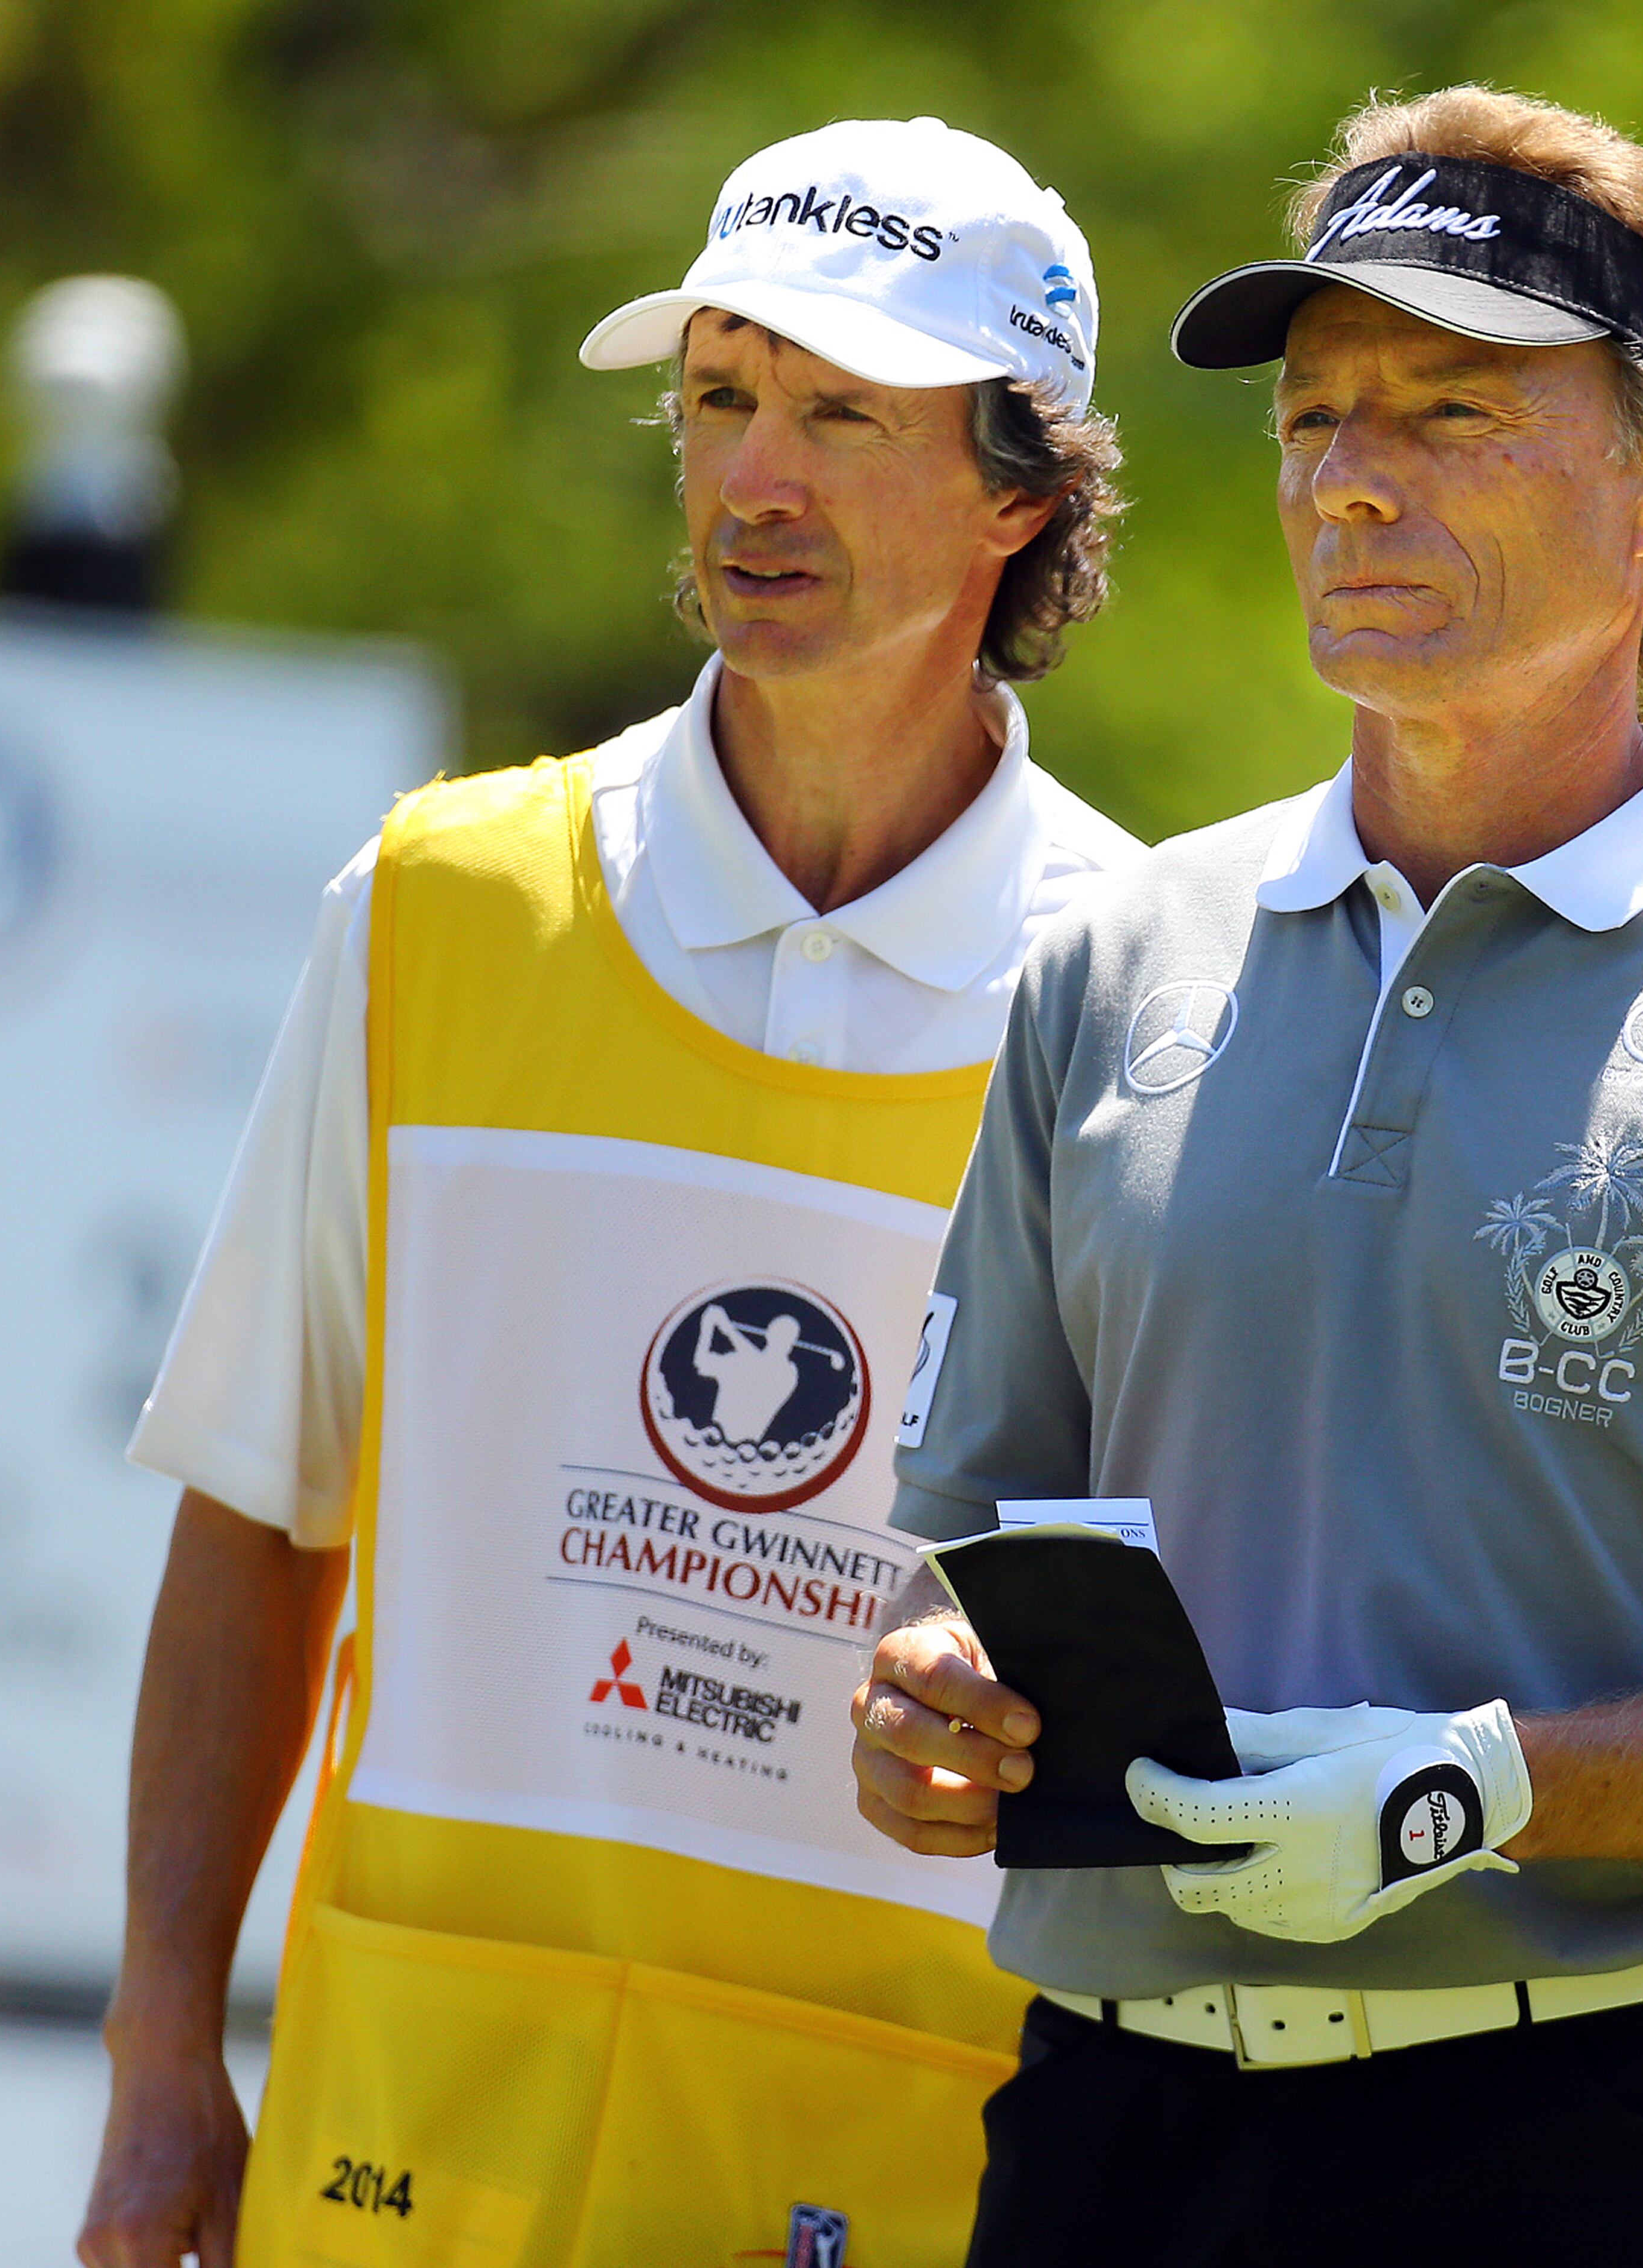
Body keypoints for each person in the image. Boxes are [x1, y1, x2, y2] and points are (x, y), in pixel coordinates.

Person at [852, 86, 1643, 2267]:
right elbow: (965, 1565)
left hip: (1608, 2143)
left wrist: (1481, 1792)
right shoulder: (1115, 956)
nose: (1354, 477)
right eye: (1319, 416)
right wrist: (927, 1705)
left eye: (1451, 410)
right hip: (1113, 2140)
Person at [78, 115, 1136, 2268]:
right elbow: (264, 1514)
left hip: (907, 2163)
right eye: (723, 396)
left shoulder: (1154, 1002)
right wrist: (165, 2050)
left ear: (1023, 488)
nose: (759, 475)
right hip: (408, 2142)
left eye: (845, 411)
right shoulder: (433, 905)